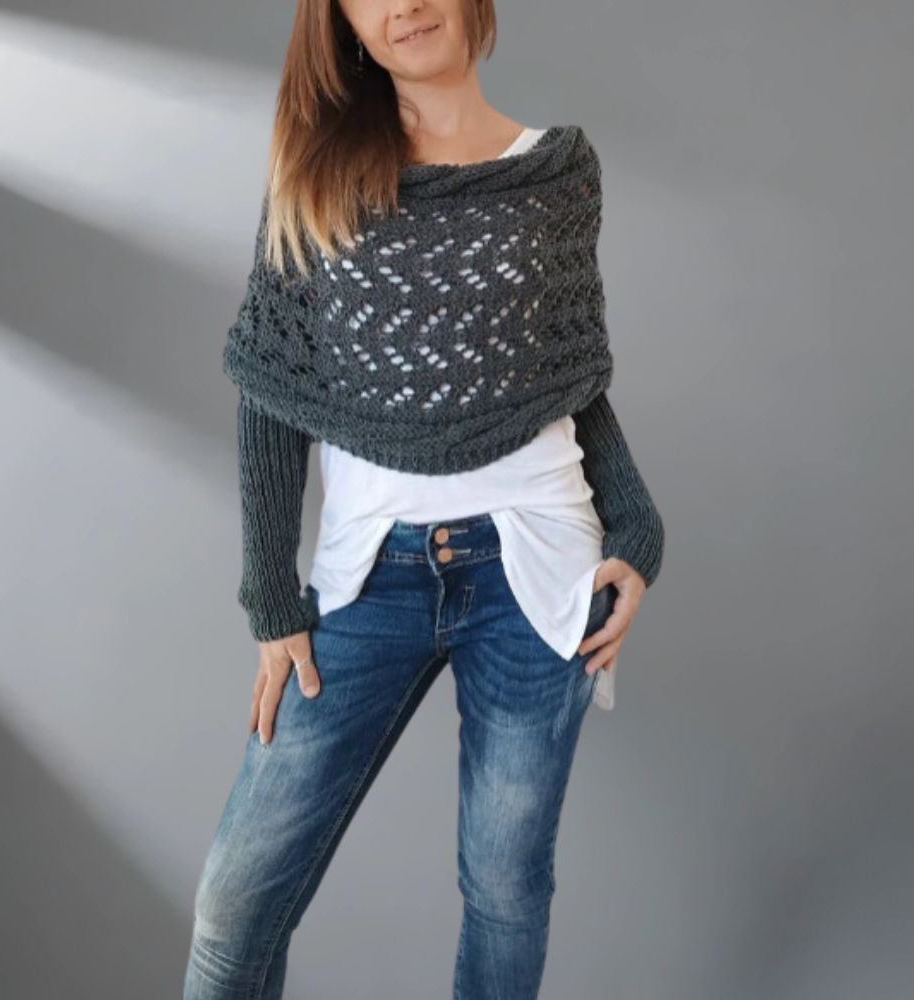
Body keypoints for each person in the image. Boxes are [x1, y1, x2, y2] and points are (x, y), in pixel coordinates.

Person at [183, 2, 664, 997]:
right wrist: (270, 596)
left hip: (537, 569)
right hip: (371, 573)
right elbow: (271, 392)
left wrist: (637, 524)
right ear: (345, 26)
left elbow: (568, 382)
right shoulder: (315, 176)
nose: (402, 4)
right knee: (235, 905)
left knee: (505, 890)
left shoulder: (557, 173)